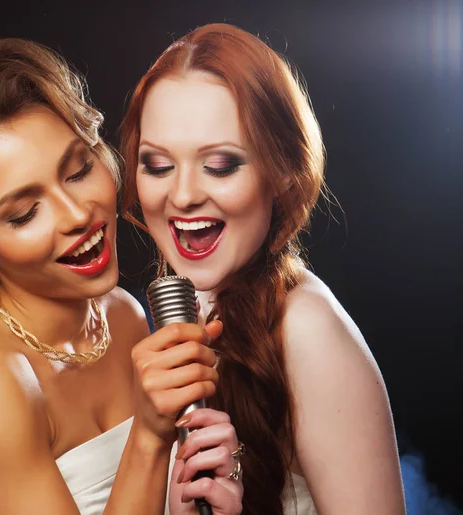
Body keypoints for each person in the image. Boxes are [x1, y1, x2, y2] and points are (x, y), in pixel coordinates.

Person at [0, 38, 243, 514]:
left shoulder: (119, 315)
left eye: (79, 169)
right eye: (24, 213)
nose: (77, 214)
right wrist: (149, 435)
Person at [120, 23, 406, 515]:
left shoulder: (306, 329)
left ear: (281, 171)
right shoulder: (182, 312)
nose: (183, 195)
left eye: (221, 164)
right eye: (158, 165)